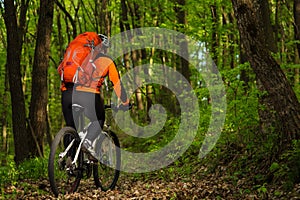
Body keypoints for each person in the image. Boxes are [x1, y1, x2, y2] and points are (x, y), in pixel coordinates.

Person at [58, 33, 130, 160]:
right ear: (103, 48)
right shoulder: (106, 61)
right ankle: (88, 143)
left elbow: (60, 70)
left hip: (67, 93)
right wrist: (125, 102)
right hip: (89, 95)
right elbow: (117, 84)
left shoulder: (77, 59)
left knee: (71, 127)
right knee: (98, 119)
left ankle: (70, 160)